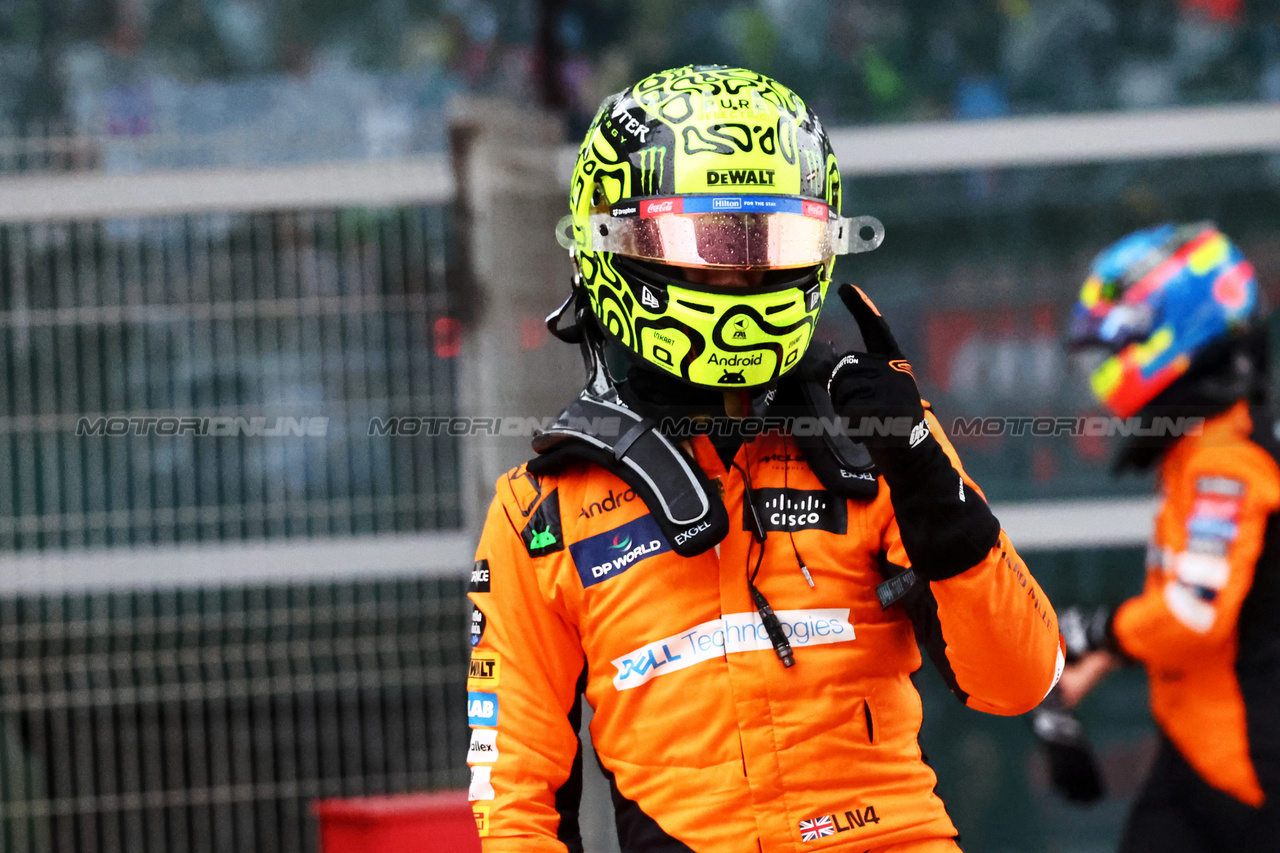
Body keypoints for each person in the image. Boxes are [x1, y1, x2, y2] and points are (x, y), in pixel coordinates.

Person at [465, 65, 1063, 853]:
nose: (740, 278)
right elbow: (514, 802)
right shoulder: (538, 509)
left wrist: (918, 459)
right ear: (617, 244)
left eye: (770, 246)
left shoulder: (878, 437)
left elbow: (1019, 679)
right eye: (710, 246)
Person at [1059, 222, 1280, 851]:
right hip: (1197, 756)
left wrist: (1096, 631)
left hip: (1246, 777)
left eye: (1116, 350)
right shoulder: (1203, 452)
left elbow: (1193, 614)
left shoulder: (1227, 460)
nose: (1103, 377)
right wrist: (1101, 658)